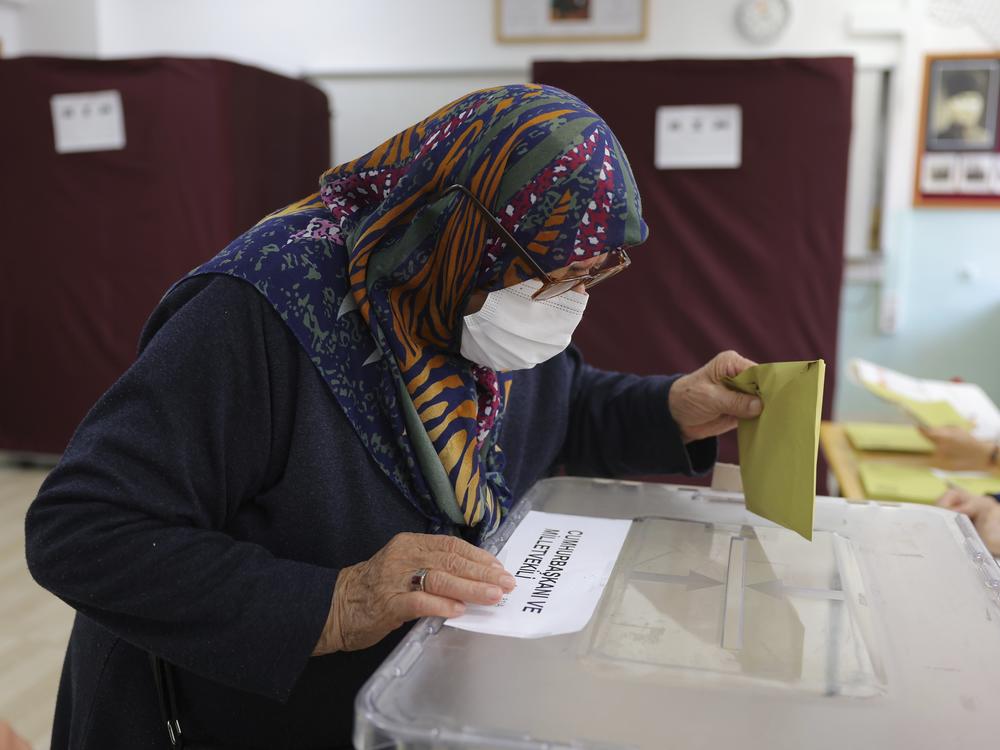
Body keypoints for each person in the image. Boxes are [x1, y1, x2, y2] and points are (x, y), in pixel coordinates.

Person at [25, 84, 761, 749]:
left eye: (591, 276)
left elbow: (562, 405)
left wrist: (671, 408)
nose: (568, 303)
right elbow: (83, 527)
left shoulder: (464, 301)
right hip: (212, 719)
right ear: (462, 234)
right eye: (556, 278)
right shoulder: (262, 312)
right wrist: (337, 601)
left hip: (383, 712)